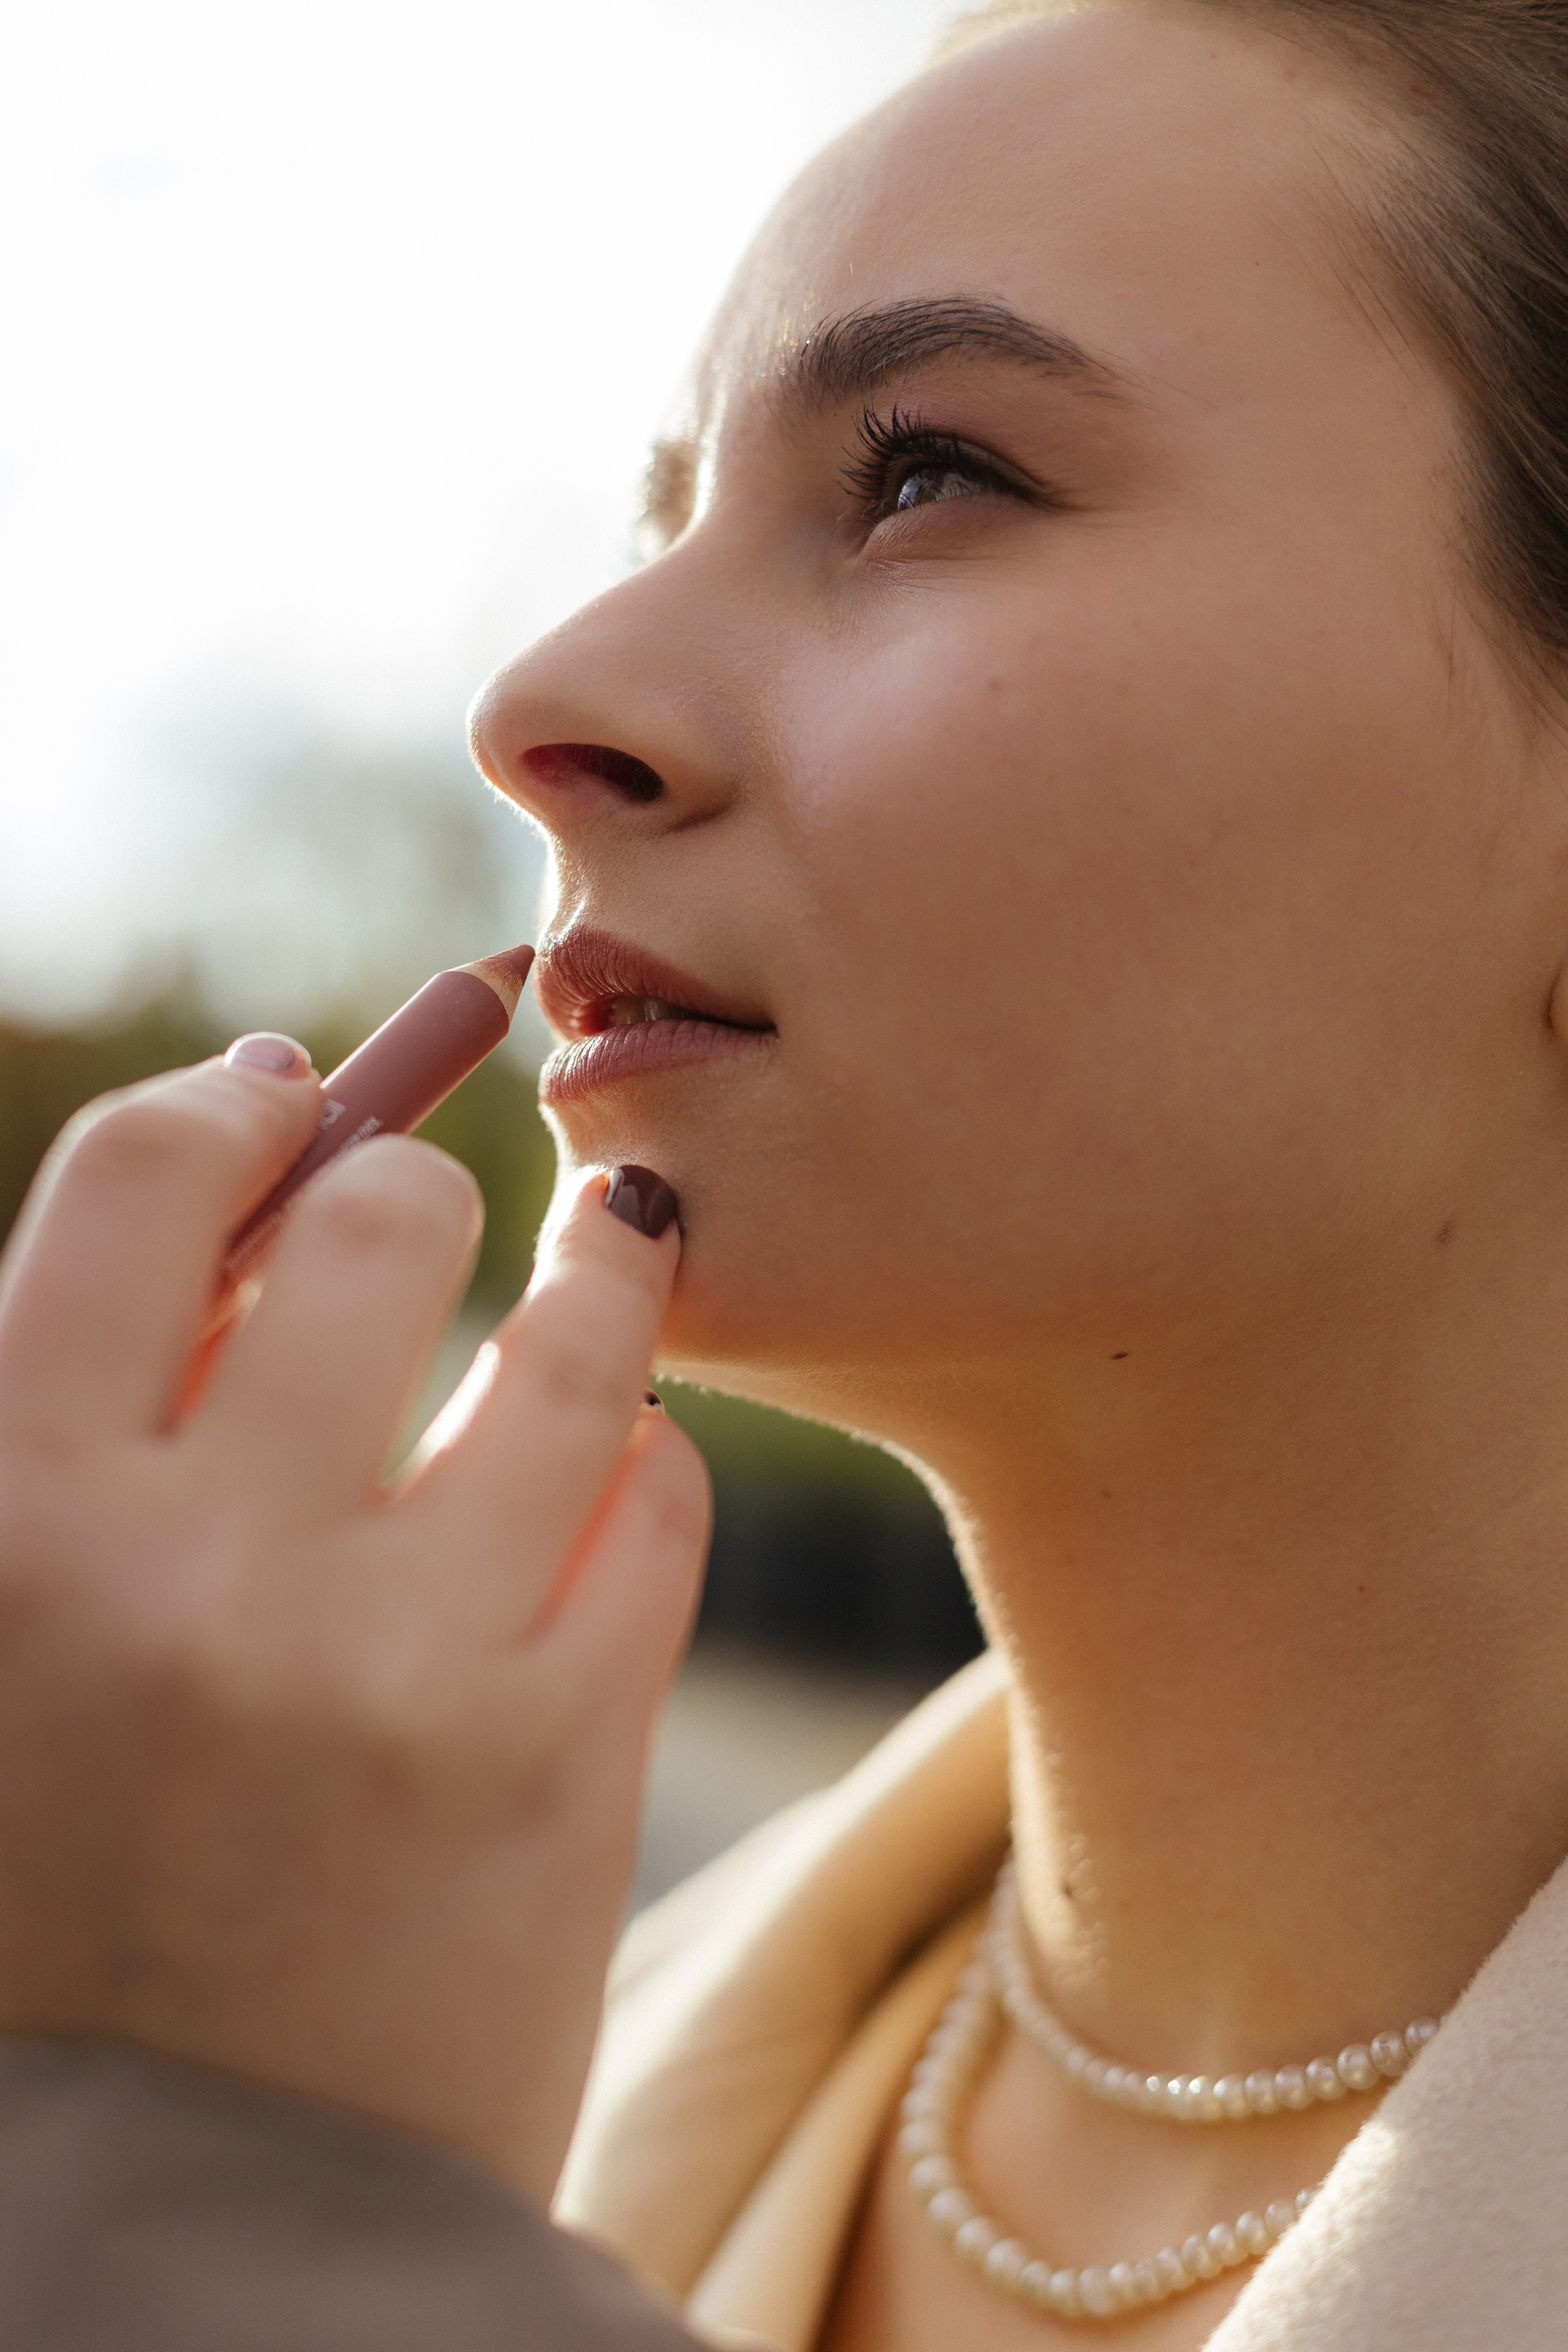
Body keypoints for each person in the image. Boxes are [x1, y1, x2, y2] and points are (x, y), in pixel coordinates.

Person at [7, 0, 1568, 2345]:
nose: (543, 700)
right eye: (667, 515)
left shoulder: (295, 2130)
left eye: (924, 473)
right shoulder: (607, 2045)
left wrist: (238, 2204)